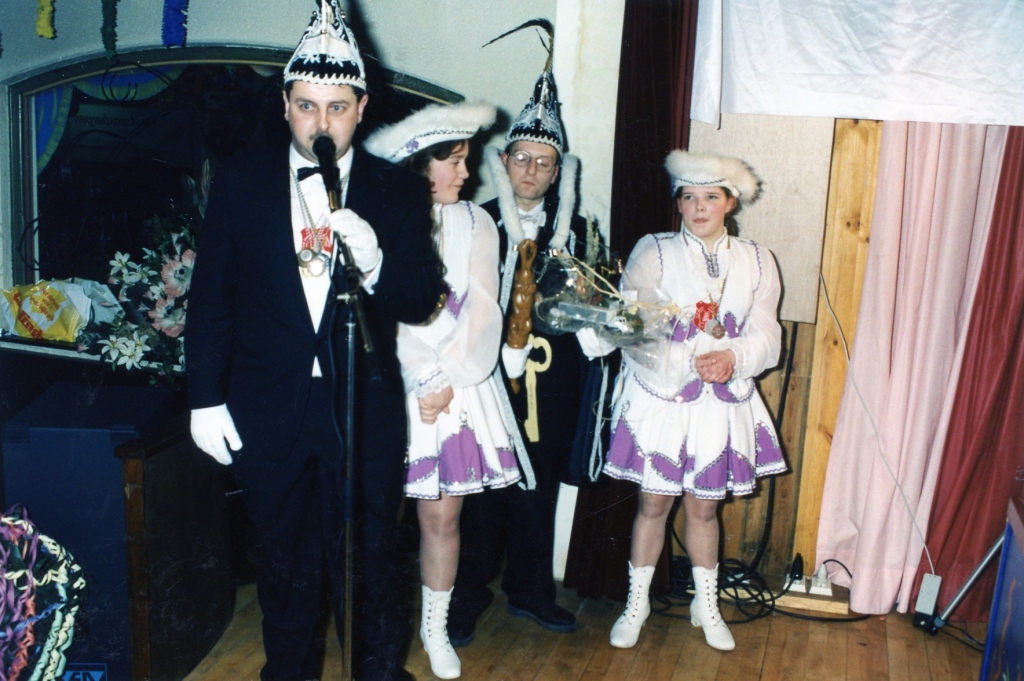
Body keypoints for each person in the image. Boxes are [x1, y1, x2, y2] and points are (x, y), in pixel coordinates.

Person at [185, 3, 444, 679]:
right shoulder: (240, 181)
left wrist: (378, 263)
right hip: (268, 412)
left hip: (363, 416)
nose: (321, 124)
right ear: (284, 105)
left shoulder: (396, 190)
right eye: (306, 106)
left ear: (362, 108)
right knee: (283, 571)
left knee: (371, 571)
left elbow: (421, 297)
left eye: (336, 108)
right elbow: (211, 299)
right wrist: (204, 397)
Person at [447, 45, 612, 646]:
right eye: (522, 158)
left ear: (558, 171)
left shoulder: (581, 232)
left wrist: (600, 327)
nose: (531, 171)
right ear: (505, 161)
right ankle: (467, 596)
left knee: (537, 490)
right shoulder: (476, 221)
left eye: (544, 162)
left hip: (554, 380)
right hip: (489, 375)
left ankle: (532, 591)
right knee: (482, 487)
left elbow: (597, 304)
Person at [602, 151, 787, 651]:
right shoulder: (655, 250)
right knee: (653, 502)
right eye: (688, 197)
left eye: (710, 196)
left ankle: (706, 606)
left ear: (730, 202)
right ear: (678, 202)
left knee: (704, 508)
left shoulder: (757, 260)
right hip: (664, 395)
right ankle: (636, 605)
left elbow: (768, 335)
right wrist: (687, 358)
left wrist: (733, 356)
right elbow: (630, 326)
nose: (699, 207)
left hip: (721, 400)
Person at [365, 101, 517, 680]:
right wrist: (420, 374)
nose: (466, 173)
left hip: (456, 387)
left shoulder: (476, 222)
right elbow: (379, 311)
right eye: (453, 161)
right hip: (392, 383)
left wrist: (446, 376)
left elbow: (483, 308)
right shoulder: (378, 214)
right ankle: (376, 634)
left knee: (442, 518)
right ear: (418, 164)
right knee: (379, 520)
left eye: (467, 160)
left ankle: (435, 628)